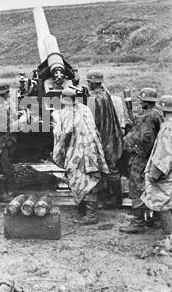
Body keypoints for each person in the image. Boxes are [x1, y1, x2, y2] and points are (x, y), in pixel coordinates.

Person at [52, 87, 110, 224]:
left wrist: (59, 152)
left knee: (83, 179)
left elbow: (64, 134)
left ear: (62, 99)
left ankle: (91, 215)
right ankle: (84, 208)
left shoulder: (65, 114)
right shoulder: (84, 108)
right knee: (91, 177)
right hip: (93, 147)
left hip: (80, 149)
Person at [140, 95, 172, 235]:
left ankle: (170, 238)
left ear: (162, 111)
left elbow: (163, 158)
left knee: (162, 207)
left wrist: (153, 175)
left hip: (166, 177)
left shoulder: (167, 129)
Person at [120, 87, 164, 233]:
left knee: (136, 186)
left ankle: (138, 222)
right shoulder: (156, 112)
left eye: (141, 101)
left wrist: (131, 144)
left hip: (143, 157)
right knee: (149, 186)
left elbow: (145, 138)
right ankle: (152, 218)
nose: (140, 104)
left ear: (145, 101)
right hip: (153, 156)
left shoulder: (149, 117)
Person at [86, 70, 124, 207]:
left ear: (91, 83)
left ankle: (115, 199)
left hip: (103, 135)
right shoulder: (105, 93)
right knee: (111, 165)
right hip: (112, 133)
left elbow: (92, 121)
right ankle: (112, 195)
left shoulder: (94, 98)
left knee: (109, 165)